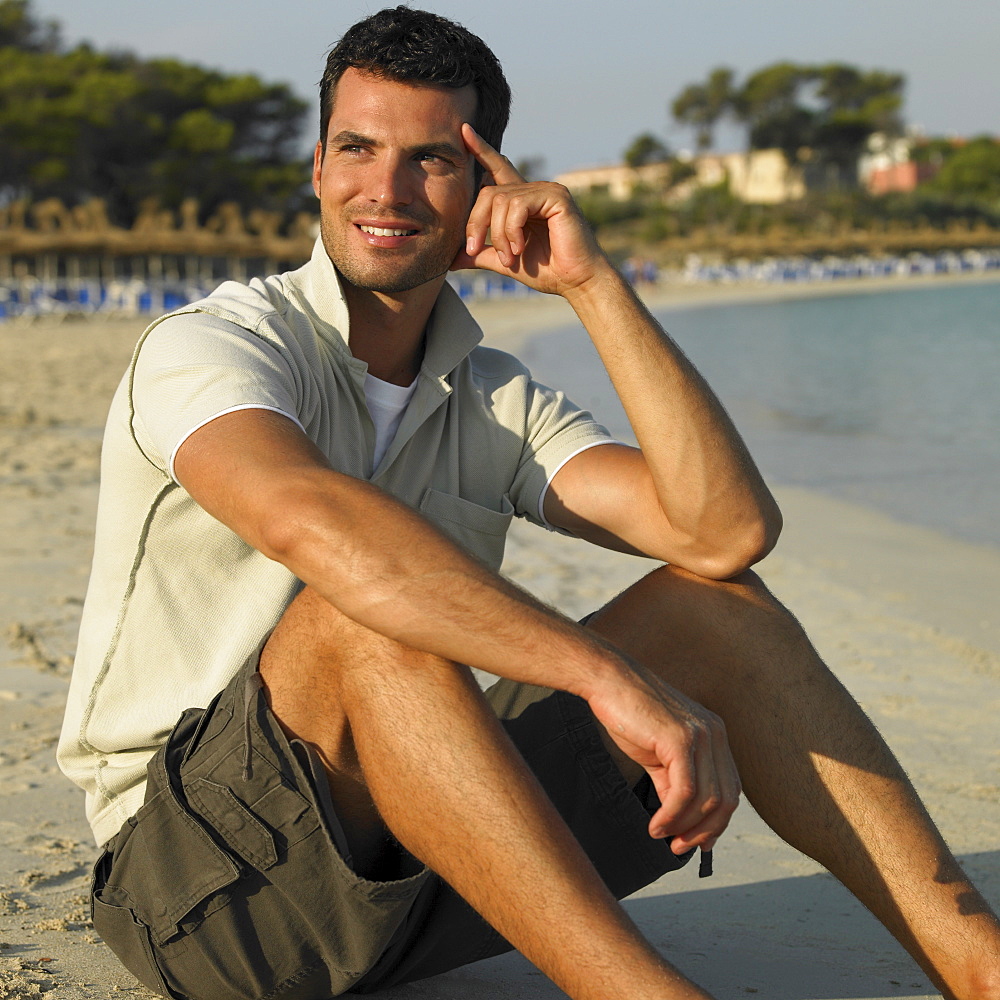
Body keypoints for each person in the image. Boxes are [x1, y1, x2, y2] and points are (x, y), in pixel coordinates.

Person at [59, 8, 1000, 1000]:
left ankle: (977, 965)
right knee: (362, 614)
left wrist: (593, 286)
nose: (383, 189)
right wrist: (602, 673)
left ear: (482, 186)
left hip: (423, 872)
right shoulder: (217, 346)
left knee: (720, 611)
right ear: (317, 167)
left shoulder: (488, 394)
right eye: (357, 148)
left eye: (430, 158)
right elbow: (314, 524)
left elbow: (721, 530)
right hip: (203, 888)